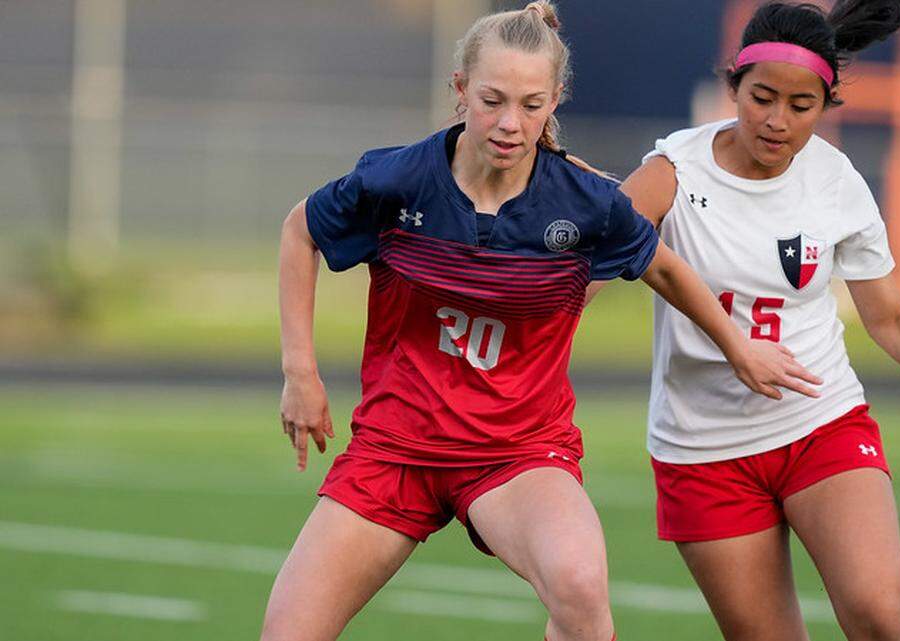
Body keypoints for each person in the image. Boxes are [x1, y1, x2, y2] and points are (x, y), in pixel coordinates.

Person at [262, 3, 820, 640]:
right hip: (395, 449)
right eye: (492, 100)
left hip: (517, 453)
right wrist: (299, 372)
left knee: (581, 592)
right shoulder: (397, 180)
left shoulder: (584, 203)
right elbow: (299, 230)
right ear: (460, 90)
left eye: (532, 106)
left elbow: (664, 269)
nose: (509, 124)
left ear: (556, 100)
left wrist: (739, 348)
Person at [618, 1, 900, 640]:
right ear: (734, 84)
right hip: (704, 450)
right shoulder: (673, 171)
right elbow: (587, 265)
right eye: (761, 97)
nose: (777, 121)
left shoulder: (837, 180)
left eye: (800, 105)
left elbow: (890, 319)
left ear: (825, 104)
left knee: (879, 617)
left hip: (820, 423)